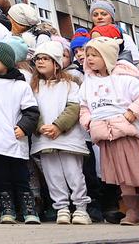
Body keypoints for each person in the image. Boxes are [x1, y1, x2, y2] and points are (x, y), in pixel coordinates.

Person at [80, 34, 139, 225]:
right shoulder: (87, 83)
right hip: (104, 134)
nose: (90, 59)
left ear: (108, 57)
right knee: (120, 176)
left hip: (125, 131)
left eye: (95, 55)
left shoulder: (124, 79)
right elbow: (84, 107)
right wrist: (89, 122)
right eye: (88, 55)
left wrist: (132, 113)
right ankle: (132, 210)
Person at [0, 40, 39, 224]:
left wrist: (24, 127)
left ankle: (28, 209)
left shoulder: (20, 85)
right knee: (0, 176)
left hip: (15, 137)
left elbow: (31, 111)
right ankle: (7, 209)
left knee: (21, 176)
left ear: (7, 60)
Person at [29, 37, 90, 224]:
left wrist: (58, 126)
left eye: (45, 58)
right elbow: (31, 108)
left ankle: (80, 208)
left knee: (74, 174)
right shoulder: (33, 86)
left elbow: (73, 107)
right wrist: (40, 126)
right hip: (44, 139)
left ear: (56, 63)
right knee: (53, 175)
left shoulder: (70, 84)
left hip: (68, 138)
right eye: (38, 58)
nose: (40, 62)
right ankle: (61, 208)